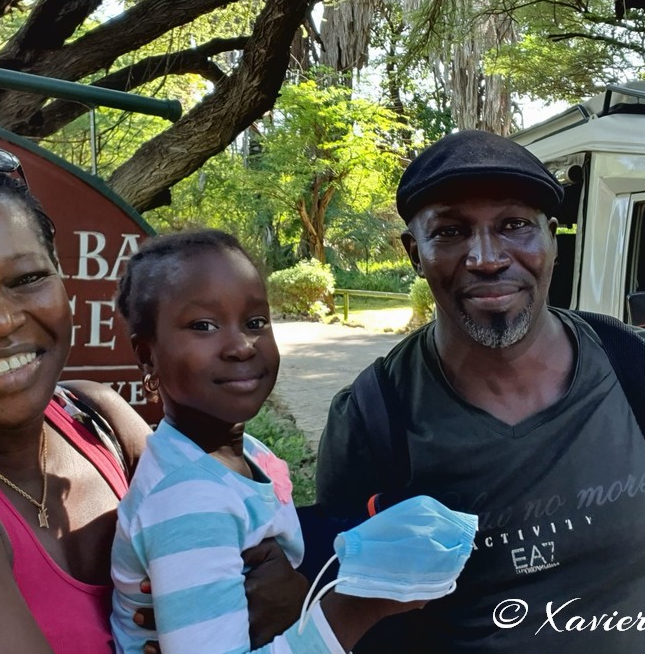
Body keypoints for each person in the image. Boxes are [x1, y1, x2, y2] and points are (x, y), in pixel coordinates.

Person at [0, 147, 303, 653]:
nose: (0, 321)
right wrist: (334, 612)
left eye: (27, 279)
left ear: (62, 281)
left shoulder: (100, 423)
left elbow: (234, 541)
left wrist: (284, 589)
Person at [314, 130, 645, 653]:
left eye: (514, 225)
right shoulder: (373, 419)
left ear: (553, 238)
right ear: (413, 252)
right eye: (450, 231)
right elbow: (348, 621)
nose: (487, 258)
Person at [109, 230, 475, 654]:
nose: (242, 346)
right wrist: (356, 608)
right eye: (203, 326)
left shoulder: (245, 454)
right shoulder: (187, 501)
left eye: (255, 322)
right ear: (146, 356)